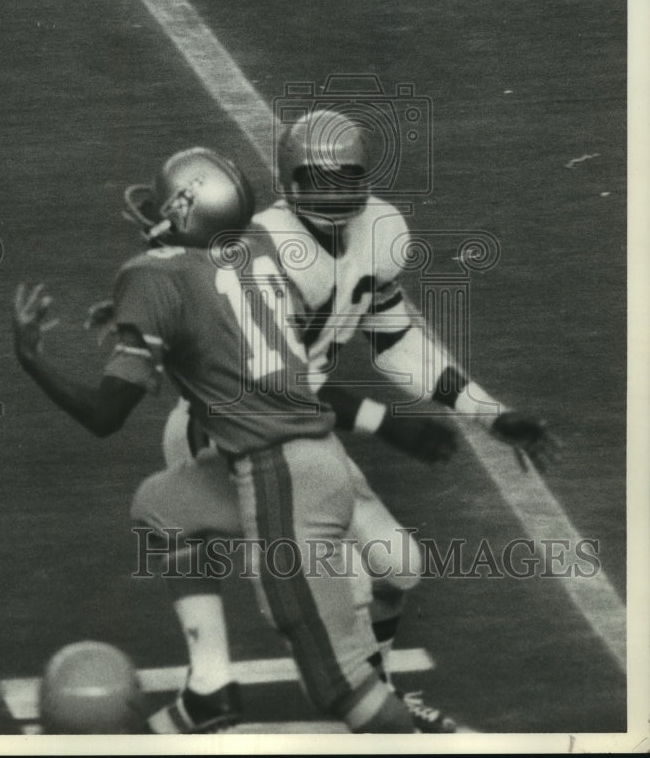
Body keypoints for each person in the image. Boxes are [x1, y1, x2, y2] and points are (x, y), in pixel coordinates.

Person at [117, 111, 559, 733]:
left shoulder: (378, 229)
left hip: (305, 430)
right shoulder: (264, 244)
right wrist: (389, 425)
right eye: (313, 178)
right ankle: (229, 686)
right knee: (332, 580)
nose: (330, 193)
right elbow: (280, 379)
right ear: (287, 180)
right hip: (234, 428)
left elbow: (395, 337)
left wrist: (488, 413)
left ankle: (363, 690)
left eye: (343, 177)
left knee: (399, 567)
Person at [13, 145, 439, 734]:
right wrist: (136, 315)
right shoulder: (259, 249)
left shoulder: (152, 278)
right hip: (295, 461)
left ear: (184, 213)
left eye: (162, 208)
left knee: (343, 689)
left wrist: (30, 358)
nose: (148, 216)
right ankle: (211, 692)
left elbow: (106, 416)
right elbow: (223, 308)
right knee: (162, 508)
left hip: (284, 482)